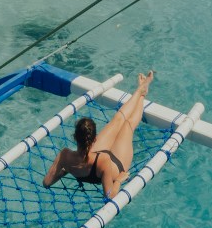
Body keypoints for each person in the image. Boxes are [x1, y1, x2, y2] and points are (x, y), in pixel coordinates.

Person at [43, 71, 154, 199]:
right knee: (128, 125)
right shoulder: (104, 160)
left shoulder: (64, 155)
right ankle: (141, 95)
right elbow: (109, 196)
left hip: (95, 157)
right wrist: (118, 180)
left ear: (74, 137)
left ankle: (140, 89)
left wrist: (67, 169)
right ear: (94, 139)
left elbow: (46, 182)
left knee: (118, 119)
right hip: (115, 166)